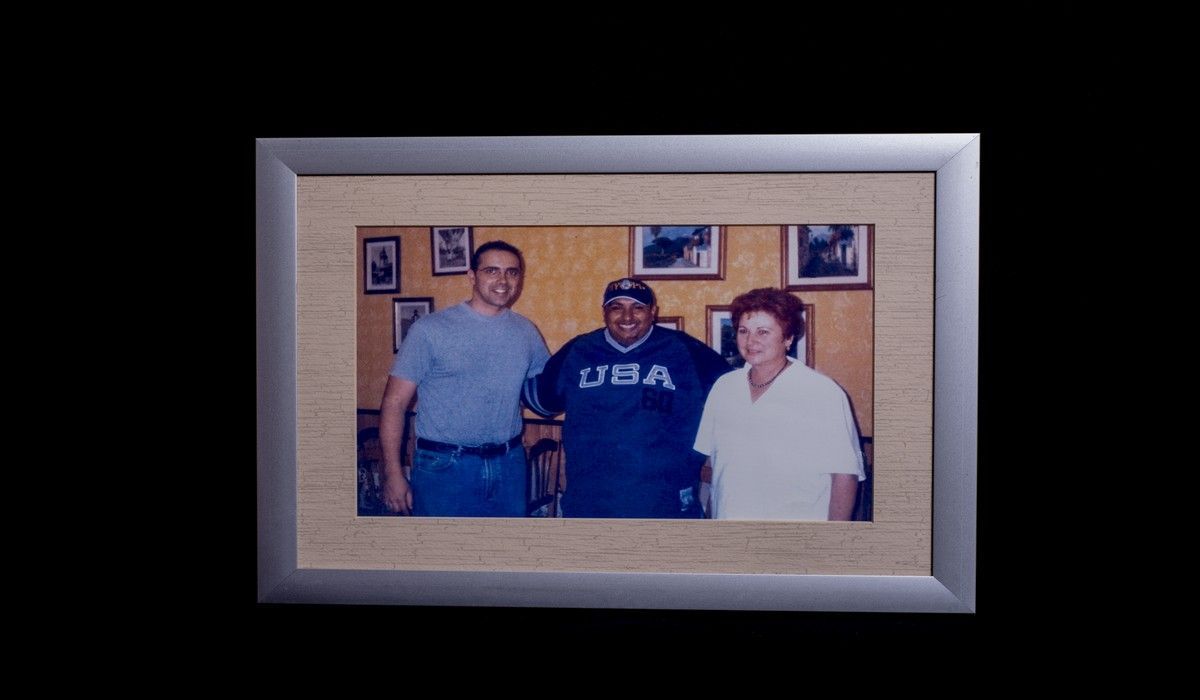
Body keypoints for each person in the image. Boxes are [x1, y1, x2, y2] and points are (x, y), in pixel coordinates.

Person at [523, 278, 732, 518]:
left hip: (666, 503)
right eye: (616, 307)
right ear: (604, 313)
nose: (627, 317)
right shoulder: (579, 350)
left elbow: (735, 395)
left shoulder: (685, 349)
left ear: (653, 312)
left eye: (638, 307)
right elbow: (542, 402)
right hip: (590, 502)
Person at [379, 241, 550, 516]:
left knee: (505, 555)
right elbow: (395, 403)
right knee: (443, 555)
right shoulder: (429, 329)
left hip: (509, 464)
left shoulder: (526, 331)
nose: (503, 281)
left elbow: (546, 388)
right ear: (472, 276)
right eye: (492, 271)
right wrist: (393, 473)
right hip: (444, 467)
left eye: (512, 272)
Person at [693, 288, 864, 520]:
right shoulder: (724, 387)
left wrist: (833, 544)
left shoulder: (821, 392)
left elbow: (845, 475)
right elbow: (716, 468)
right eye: (743, 331)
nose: (751, 341)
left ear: (788, 338)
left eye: (763, 332)